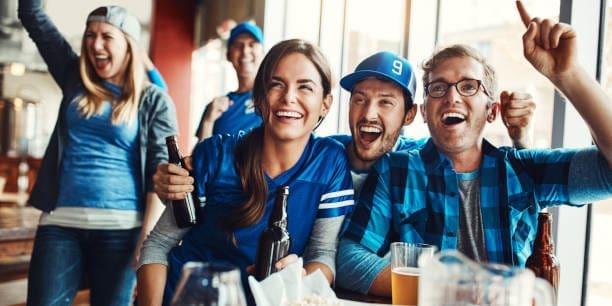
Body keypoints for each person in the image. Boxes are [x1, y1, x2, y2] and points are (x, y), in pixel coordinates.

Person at [337, 0, 612, 297]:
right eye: (438, 88)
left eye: (469, 86)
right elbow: (350, 259)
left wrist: (567, 75)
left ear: (492, 111)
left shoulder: (523, 170)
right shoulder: (397, 170)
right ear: (425, 112)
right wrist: (443, 291)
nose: (452, 97)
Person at [137, 39, 355, 306]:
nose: (289, 97)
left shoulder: (330, 162)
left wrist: (298, 282)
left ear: (326, 103)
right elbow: (157, 246)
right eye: (277, 84)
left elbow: (322, 253)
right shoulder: (217, 155)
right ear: (260, 98)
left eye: (305, 87)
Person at [18, 0, 178, 305]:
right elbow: (32, 15)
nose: (96, 44)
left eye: (107, 36)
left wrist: (148, 240)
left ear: (129, 45)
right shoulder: (73, 76)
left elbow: (160, 172)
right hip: (60, 223)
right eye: (90, 35)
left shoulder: (154, 100)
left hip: (121, 229)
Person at [194, 22, 265, 140]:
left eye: (252, 45)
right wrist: (208, 122)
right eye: (238, 45)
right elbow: (201, 156)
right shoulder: (215, 107)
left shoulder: (273, 98)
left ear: (263, 53)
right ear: (228, 55)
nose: (245, 51)